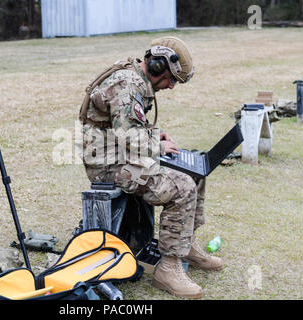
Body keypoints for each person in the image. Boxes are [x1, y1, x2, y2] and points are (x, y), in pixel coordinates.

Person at [78, 36, 222, 299]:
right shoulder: (128, 84)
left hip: (122, 154)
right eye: (171, 80)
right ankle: (168, 269)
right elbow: (129, 137)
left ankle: (184, 244)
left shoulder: (137, 78)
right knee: (182, 186)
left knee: (195, 173)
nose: (171, 87)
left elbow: (130, 126)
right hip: (108, 165)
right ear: (157, 67)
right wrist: (157, 144)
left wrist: (157, 134)